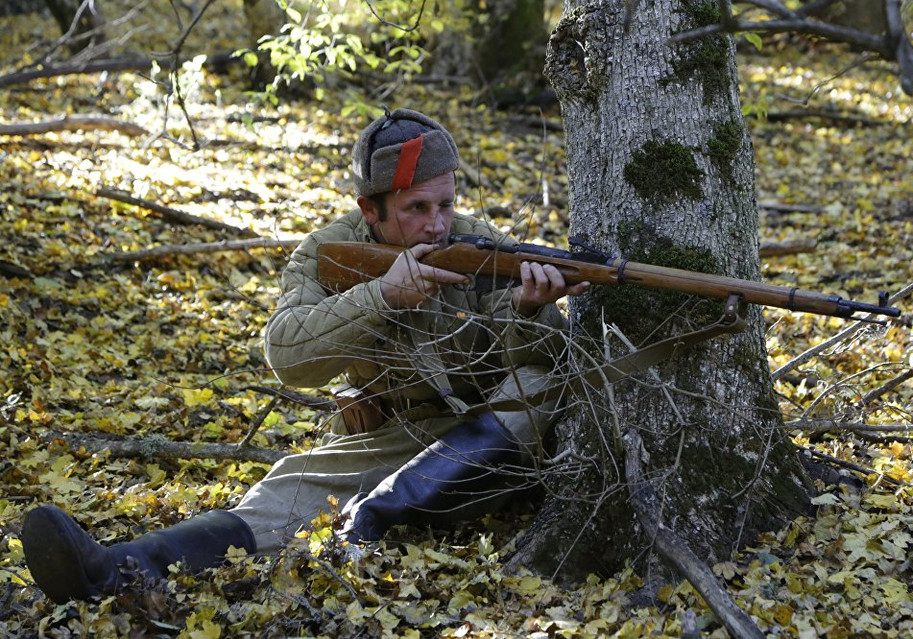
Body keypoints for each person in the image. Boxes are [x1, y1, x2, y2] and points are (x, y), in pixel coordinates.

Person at [21, 108, 589, 604]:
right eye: (417, 207)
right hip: (392, 435)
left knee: (534, 390)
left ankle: (370, 518)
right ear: (370, 209)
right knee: (275, 500)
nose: (437, 225)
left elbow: (555, 363)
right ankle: (113, 569)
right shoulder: (326, 252)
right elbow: (287, 354)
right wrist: (381, 296)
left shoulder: (478, 246)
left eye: (445, 204)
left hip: (488, 438)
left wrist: (527, 308)